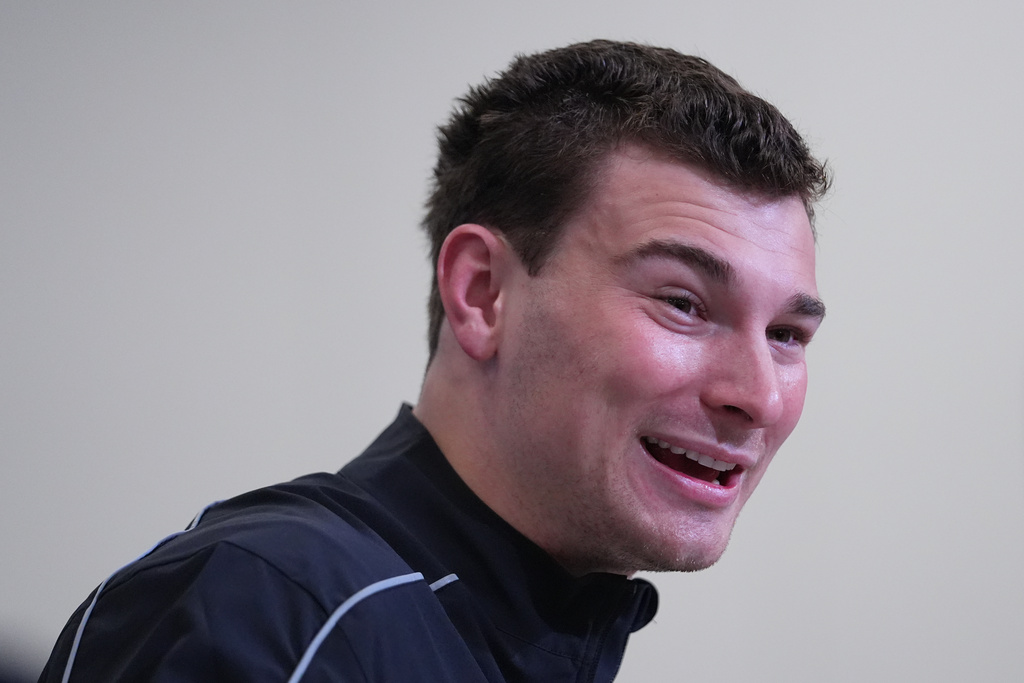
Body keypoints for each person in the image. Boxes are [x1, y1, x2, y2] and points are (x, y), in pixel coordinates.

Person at [39, 39, 828, 682]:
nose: (757, 394)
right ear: (483, 293)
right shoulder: (278, 612)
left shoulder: (496, 633)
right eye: (684, 304)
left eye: (788, 335)